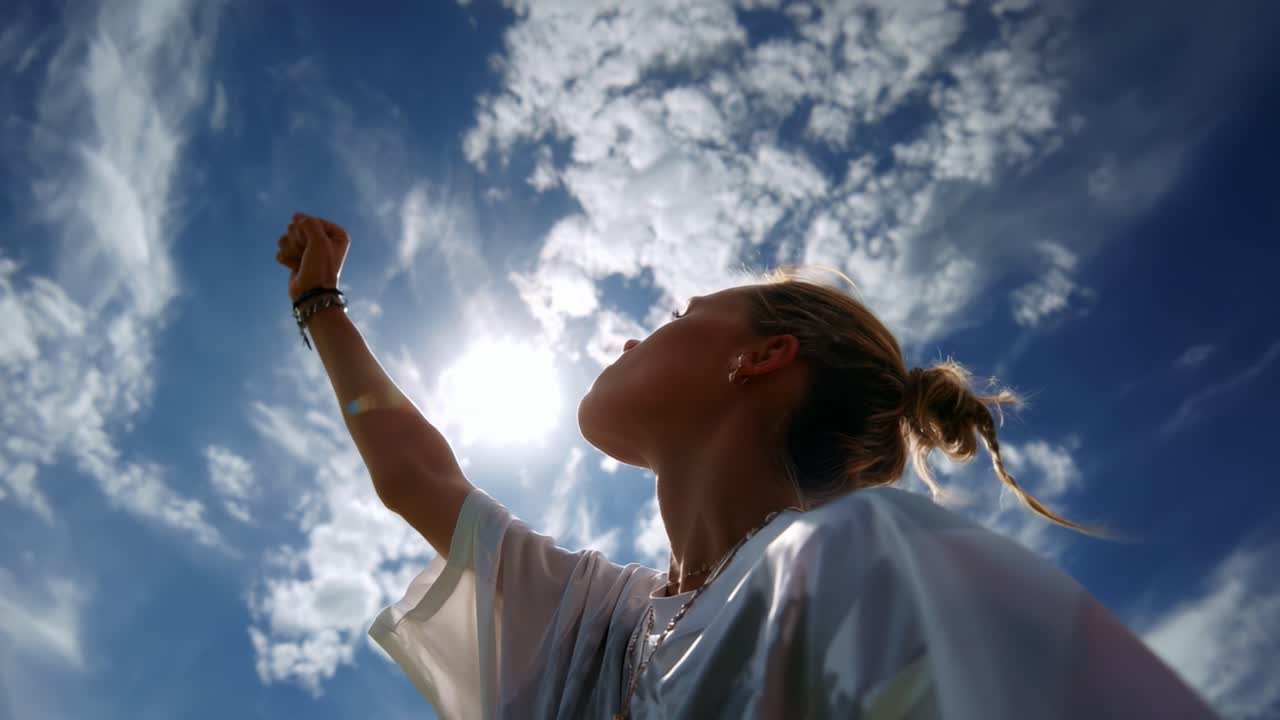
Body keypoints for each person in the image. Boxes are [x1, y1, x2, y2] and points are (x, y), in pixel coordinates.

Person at [276, 213, 1221, 719]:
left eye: (681, 315)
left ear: (760, 359)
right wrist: (321, 303)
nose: (636, 336)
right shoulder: (605, 616)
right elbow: (418, 478)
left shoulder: (855, 556)